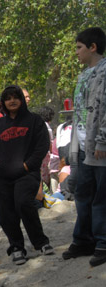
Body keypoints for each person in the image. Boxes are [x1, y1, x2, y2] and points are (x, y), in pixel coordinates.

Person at [0, 85, 54, 265]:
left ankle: (41, 242)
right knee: (7, 212)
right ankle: (16, 247)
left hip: (27, 174)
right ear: (4, 103)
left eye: (16, 97)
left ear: (22, 100)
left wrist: (27, 164)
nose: (12, 101)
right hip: (4, 175)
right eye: (8, 98)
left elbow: (42, 145)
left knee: (23, 203)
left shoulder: (34, 121)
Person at [63, 27, 106, 267]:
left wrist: (102, 139)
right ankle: (83, 239)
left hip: (99, 146)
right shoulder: (83, 76)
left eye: (79, 47)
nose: (76, 52)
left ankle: (102, 242)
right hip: (81, 145)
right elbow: (80, 112)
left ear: (93, 47)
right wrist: (74, 146)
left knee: (101, 196)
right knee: (81, 191)